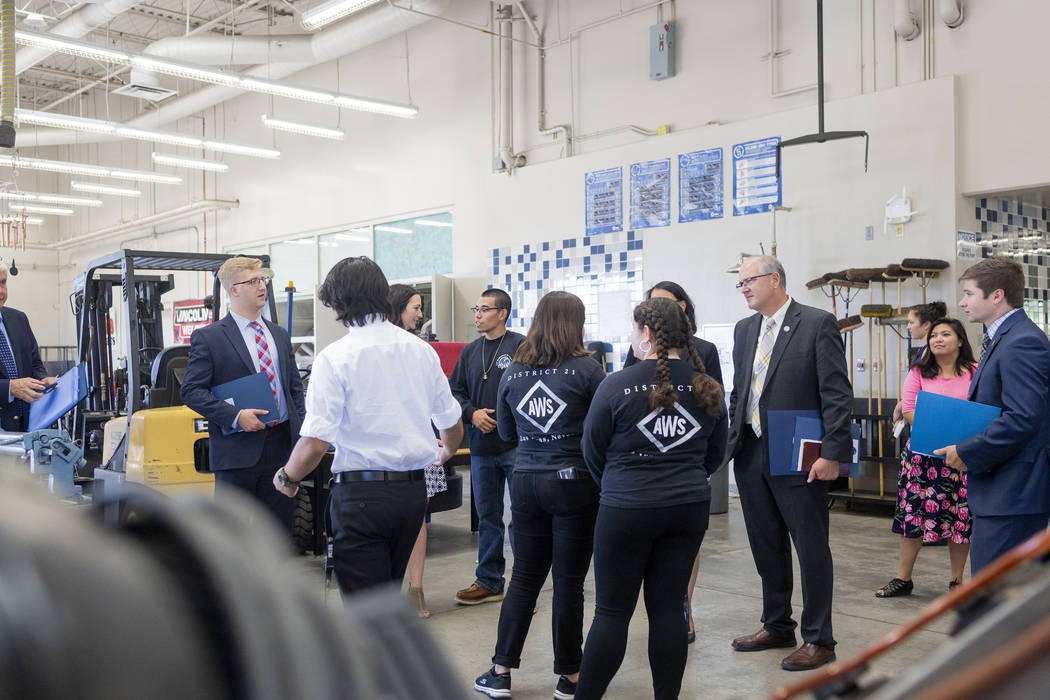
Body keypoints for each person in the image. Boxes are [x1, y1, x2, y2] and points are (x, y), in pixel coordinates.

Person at [272, 256, 464, 596]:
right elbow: (450, 421)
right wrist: (447, 451)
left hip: (361, 497)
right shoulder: (421, 351)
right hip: (412, 496)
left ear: (340, 303)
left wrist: (288, 476)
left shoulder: (335, 358)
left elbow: (316, 442)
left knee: (365, 610)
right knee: (386, 597)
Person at [575, 298, 726, 700]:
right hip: (688, 508)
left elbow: (592, 450)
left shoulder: (616, 384)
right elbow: (715, 453)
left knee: (611, 612)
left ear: (645, 333)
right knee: (667, 610)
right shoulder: (706, 385)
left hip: (626, 508)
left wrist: (619, 485)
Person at [473, 292, 605, 700]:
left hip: (527, 481)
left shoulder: (513, 372)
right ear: (576, 324)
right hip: (574, 485)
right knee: (569, 583)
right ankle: (570, 677)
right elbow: (603, 432)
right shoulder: (588, 370)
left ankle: (500, 672)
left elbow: (508, 434)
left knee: (524, 579)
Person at [725, 255, 852, 672]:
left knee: (810, 547)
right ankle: (777, 624)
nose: (742, 287)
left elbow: (836, 393)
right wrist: (732, 440)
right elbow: (740, 390)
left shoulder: (816, 323)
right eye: (739, 282)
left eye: (749, 280)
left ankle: (820, 639)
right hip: (751, 451)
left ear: (774, 279)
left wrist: (833, 453)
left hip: (801, 452)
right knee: (766, 546)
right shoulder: (745, 331)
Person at [934, 257, 1050, 573]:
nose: (962, 302)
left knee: (998, 603)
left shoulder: (1021, 341)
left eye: (969, 293)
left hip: (1014, 493)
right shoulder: (1003, 338)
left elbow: (1023, 418)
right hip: (1002, 491)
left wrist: (967, 450)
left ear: (996, 295)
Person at [623, 279, 723, 644]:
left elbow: (715, 412)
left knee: (684, 549)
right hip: (641, 467)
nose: (656, 311)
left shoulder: (705, 351)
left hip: (685, 465)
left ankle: (685, 607)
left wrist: (700, 467)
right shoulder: (638, 350)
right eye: (650, 305)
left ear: (683, 307)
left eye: (664, 304)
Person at [181, 256, 305, 532]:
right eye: (252, 281)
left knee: (279, 535)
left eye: (262, 280)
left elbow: (294, 389)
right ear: (233, 290)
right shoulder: (210, 337)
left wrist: (301, 437)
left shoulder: (279, 335)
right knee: (232, 537)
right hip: (237, 453)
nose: (261, 286)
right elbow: (191, 390)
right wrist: (235, 416)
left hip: (281, 450)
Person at [876, 317, 975, 598]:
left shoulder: (976, 371)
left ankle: (957, 581)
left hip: (962, 457)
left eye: (945, 334)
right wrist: (943, 432)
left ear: (960, 340)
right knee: (913, 516)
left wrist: (959, 441)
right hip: (922, 457)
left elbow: (981, 408)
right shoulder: (919, 371)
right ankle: (903, 578)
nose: (937, 339)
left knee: (960, 520)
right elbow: (908, 409)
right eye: (933, 335)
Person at [449, 289, 526, 605]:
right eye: (476, 308)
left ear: (503, 313)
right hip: (481, 448)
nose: (477, 314)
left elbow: (531, 389)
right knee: (488, 517)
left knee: (522, 517)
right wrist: (472, 413)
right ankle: (489, 581)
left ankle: (524, 588)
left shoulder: (522, 346)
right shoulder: (470, 352)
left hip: (516, 446)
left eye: (484, 309)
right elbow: (455, 391)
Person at [390, 283, 443, 618]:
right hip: (389, 447)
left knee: (417, 519)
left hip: (422, 443)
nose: (420, 314)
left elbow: (433, 398)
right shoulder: (380, 349)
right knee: (391, 521)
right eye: (415, 307)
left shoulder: (421, 349)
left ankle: (417, 589)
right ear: (397, 308)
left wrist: (435, 434)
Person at [0, 262, 57, 431]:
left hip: (27, 425)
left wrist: (42, 379)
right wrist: (9, 388)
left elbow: (34, 363)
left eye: (3, 283)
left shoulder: (19, 319)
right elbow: (13, 385)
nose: (1, 292)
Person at [892, 301, 948, 426]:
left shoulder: (930, 351)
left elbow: (925, 389)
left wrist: (901, 405)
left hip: (928, 415)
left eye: (911, 322)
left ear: (926, 325)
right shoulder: (923, 350)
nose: (908, 327)